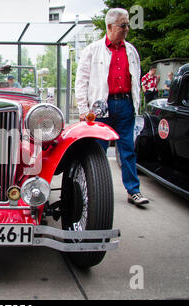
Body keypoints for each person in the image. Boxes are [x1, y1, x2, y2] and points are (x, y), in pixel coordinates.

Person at [74, 7, 149, 206]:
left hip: (125, 105)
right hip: (100, 106)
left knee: (127, 149)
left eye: (127, 25)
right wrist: (83, 109)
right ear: (109, 26)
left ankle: (134, 191)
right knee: (97, 151)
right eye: (122, 25)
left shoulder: (131, 50)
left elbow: (136, 79)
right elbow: (81, 81)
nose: (126, 29)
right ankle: (93, 191)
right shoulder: (92, 50)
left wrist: (135, 105)